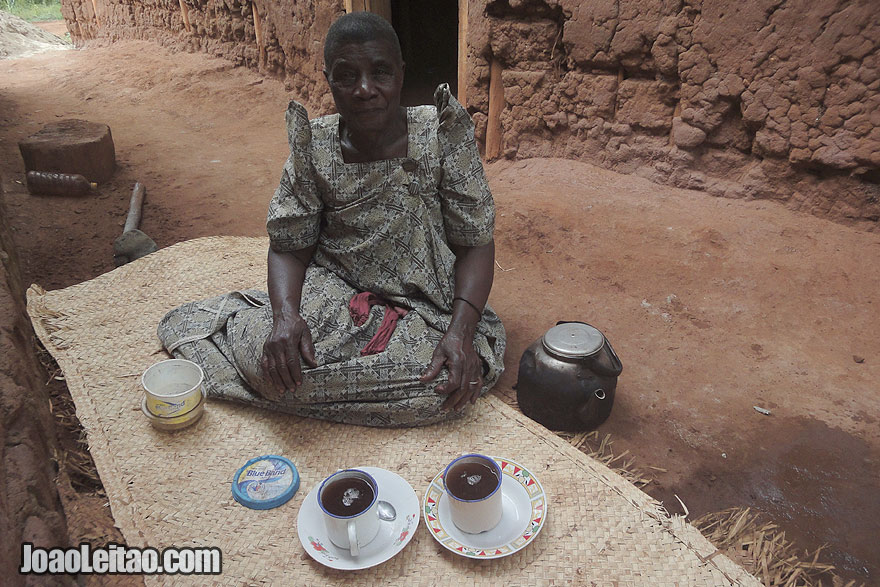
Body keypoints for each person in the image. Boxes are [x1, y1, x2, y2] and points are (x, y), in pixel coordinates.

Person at [158, 12, 505, 427]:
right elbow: (289, 246)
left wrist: (461, 333)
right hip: (335, 293)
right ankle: (245, 336)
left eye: (380, 73)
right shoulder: (315, 148)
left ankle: (250, 379)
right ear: (328, 80)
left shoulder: (441, 136)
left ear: (400, 73)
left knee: (443, 385)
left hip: (428, 304)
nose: (365, 90)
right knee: (276, 362)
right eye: (346, 76)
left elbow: (476, 242)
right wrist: (286, 316)